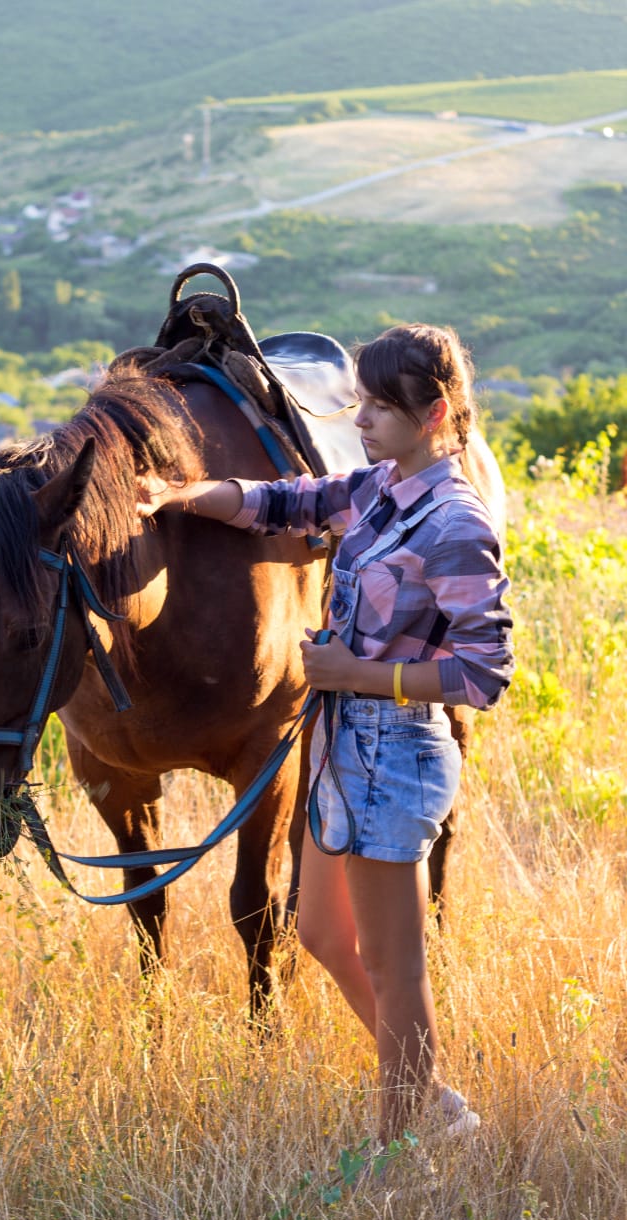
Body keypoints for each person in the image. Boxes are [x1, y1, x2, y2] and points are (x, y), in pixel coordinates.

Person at [136, 322, 514, 1151]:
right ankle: (436, 1103)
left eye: (380, 405)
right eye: (363, 400)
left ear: (436, 410)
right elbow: (281, 503)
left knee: (393, 965)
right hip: (342, 745)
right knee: (317, 933)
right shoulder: (378, 487)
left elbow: (483, 673)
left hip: (397, 746)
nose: (361, 415)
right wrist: (180, 497)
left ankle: (400, 1142)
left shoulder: (455, 522)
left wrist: (356, 675)